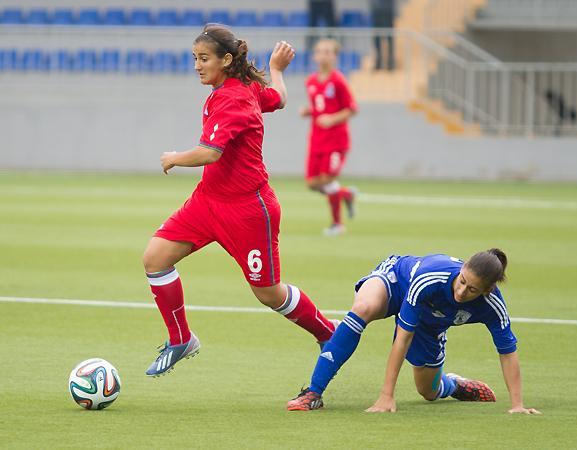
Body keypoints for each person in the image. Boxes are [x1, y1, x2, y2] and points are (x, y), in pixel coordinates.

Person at [142, 24, 337, 377]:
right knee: (155, 258)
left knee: (269, 294)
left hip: (248, 210)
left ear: (226, 60)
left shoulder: (232, 97)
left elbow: (210, 153)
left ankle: (330, 335)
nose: (197, 66)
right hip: (208, 201)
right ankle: (181, 339)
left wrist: (174, 158)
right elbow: (279, 98)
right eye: (194, 58)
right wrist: (276, 70)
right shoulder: (242, 88)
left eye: (204, 59)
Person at [287, 249, 541, 415]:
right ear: (462, 268)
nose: (462, 291)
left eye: (472, 290)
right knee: (364, 308)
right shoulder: (431, 278)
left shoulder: (492, 305)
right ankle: (313, 393)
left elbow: (508, 351)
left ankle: (453, 385)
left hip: (430, 320)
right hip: (398, 281)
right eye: (462, 281)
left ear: (487, 290)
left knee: (428, 391)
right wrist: (386, 396)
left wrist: (517, 405)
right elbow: (402, 338)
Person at [300, 39, 358, 236]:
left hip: (336, 140)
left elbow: (351, 108)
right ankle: (346, 194)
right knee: (312, 183)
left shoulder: (338, 81)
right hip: (317, 139)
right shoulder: (311, 82)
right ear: (314, 56)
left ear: (334, 56)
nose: (323, 55)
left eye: (327, 52)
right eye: (319, 51)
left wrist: (332, 119)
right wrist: (309, 112)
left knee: (326, 180)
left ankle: (337, 224)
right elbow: (320, 107)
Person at [370, 0, 395, 71]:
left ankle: (390, 63)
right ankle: (378, 62)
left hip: (387, 12)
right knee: (377, 38)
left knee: (389, 37)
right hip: (377, 12)